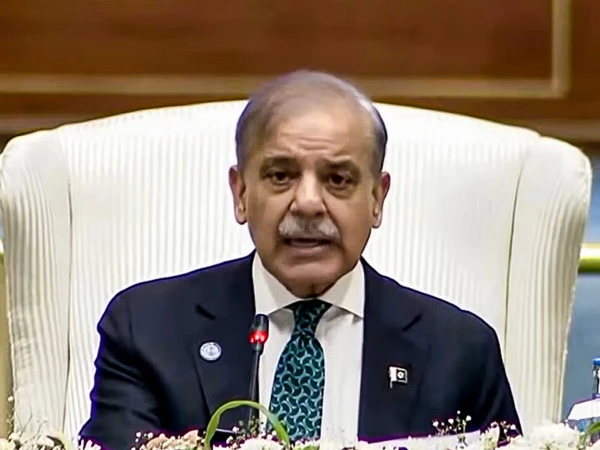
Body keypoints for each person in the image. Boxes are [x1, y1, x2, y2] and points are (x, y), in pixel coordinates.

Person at [79, 70, 521, 450]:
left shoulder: (459, 352)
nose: (308, 203)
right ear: (241, 193)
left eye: (338, 179)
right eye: (281, 175)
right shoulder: (148, 330)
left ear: (377, 198)